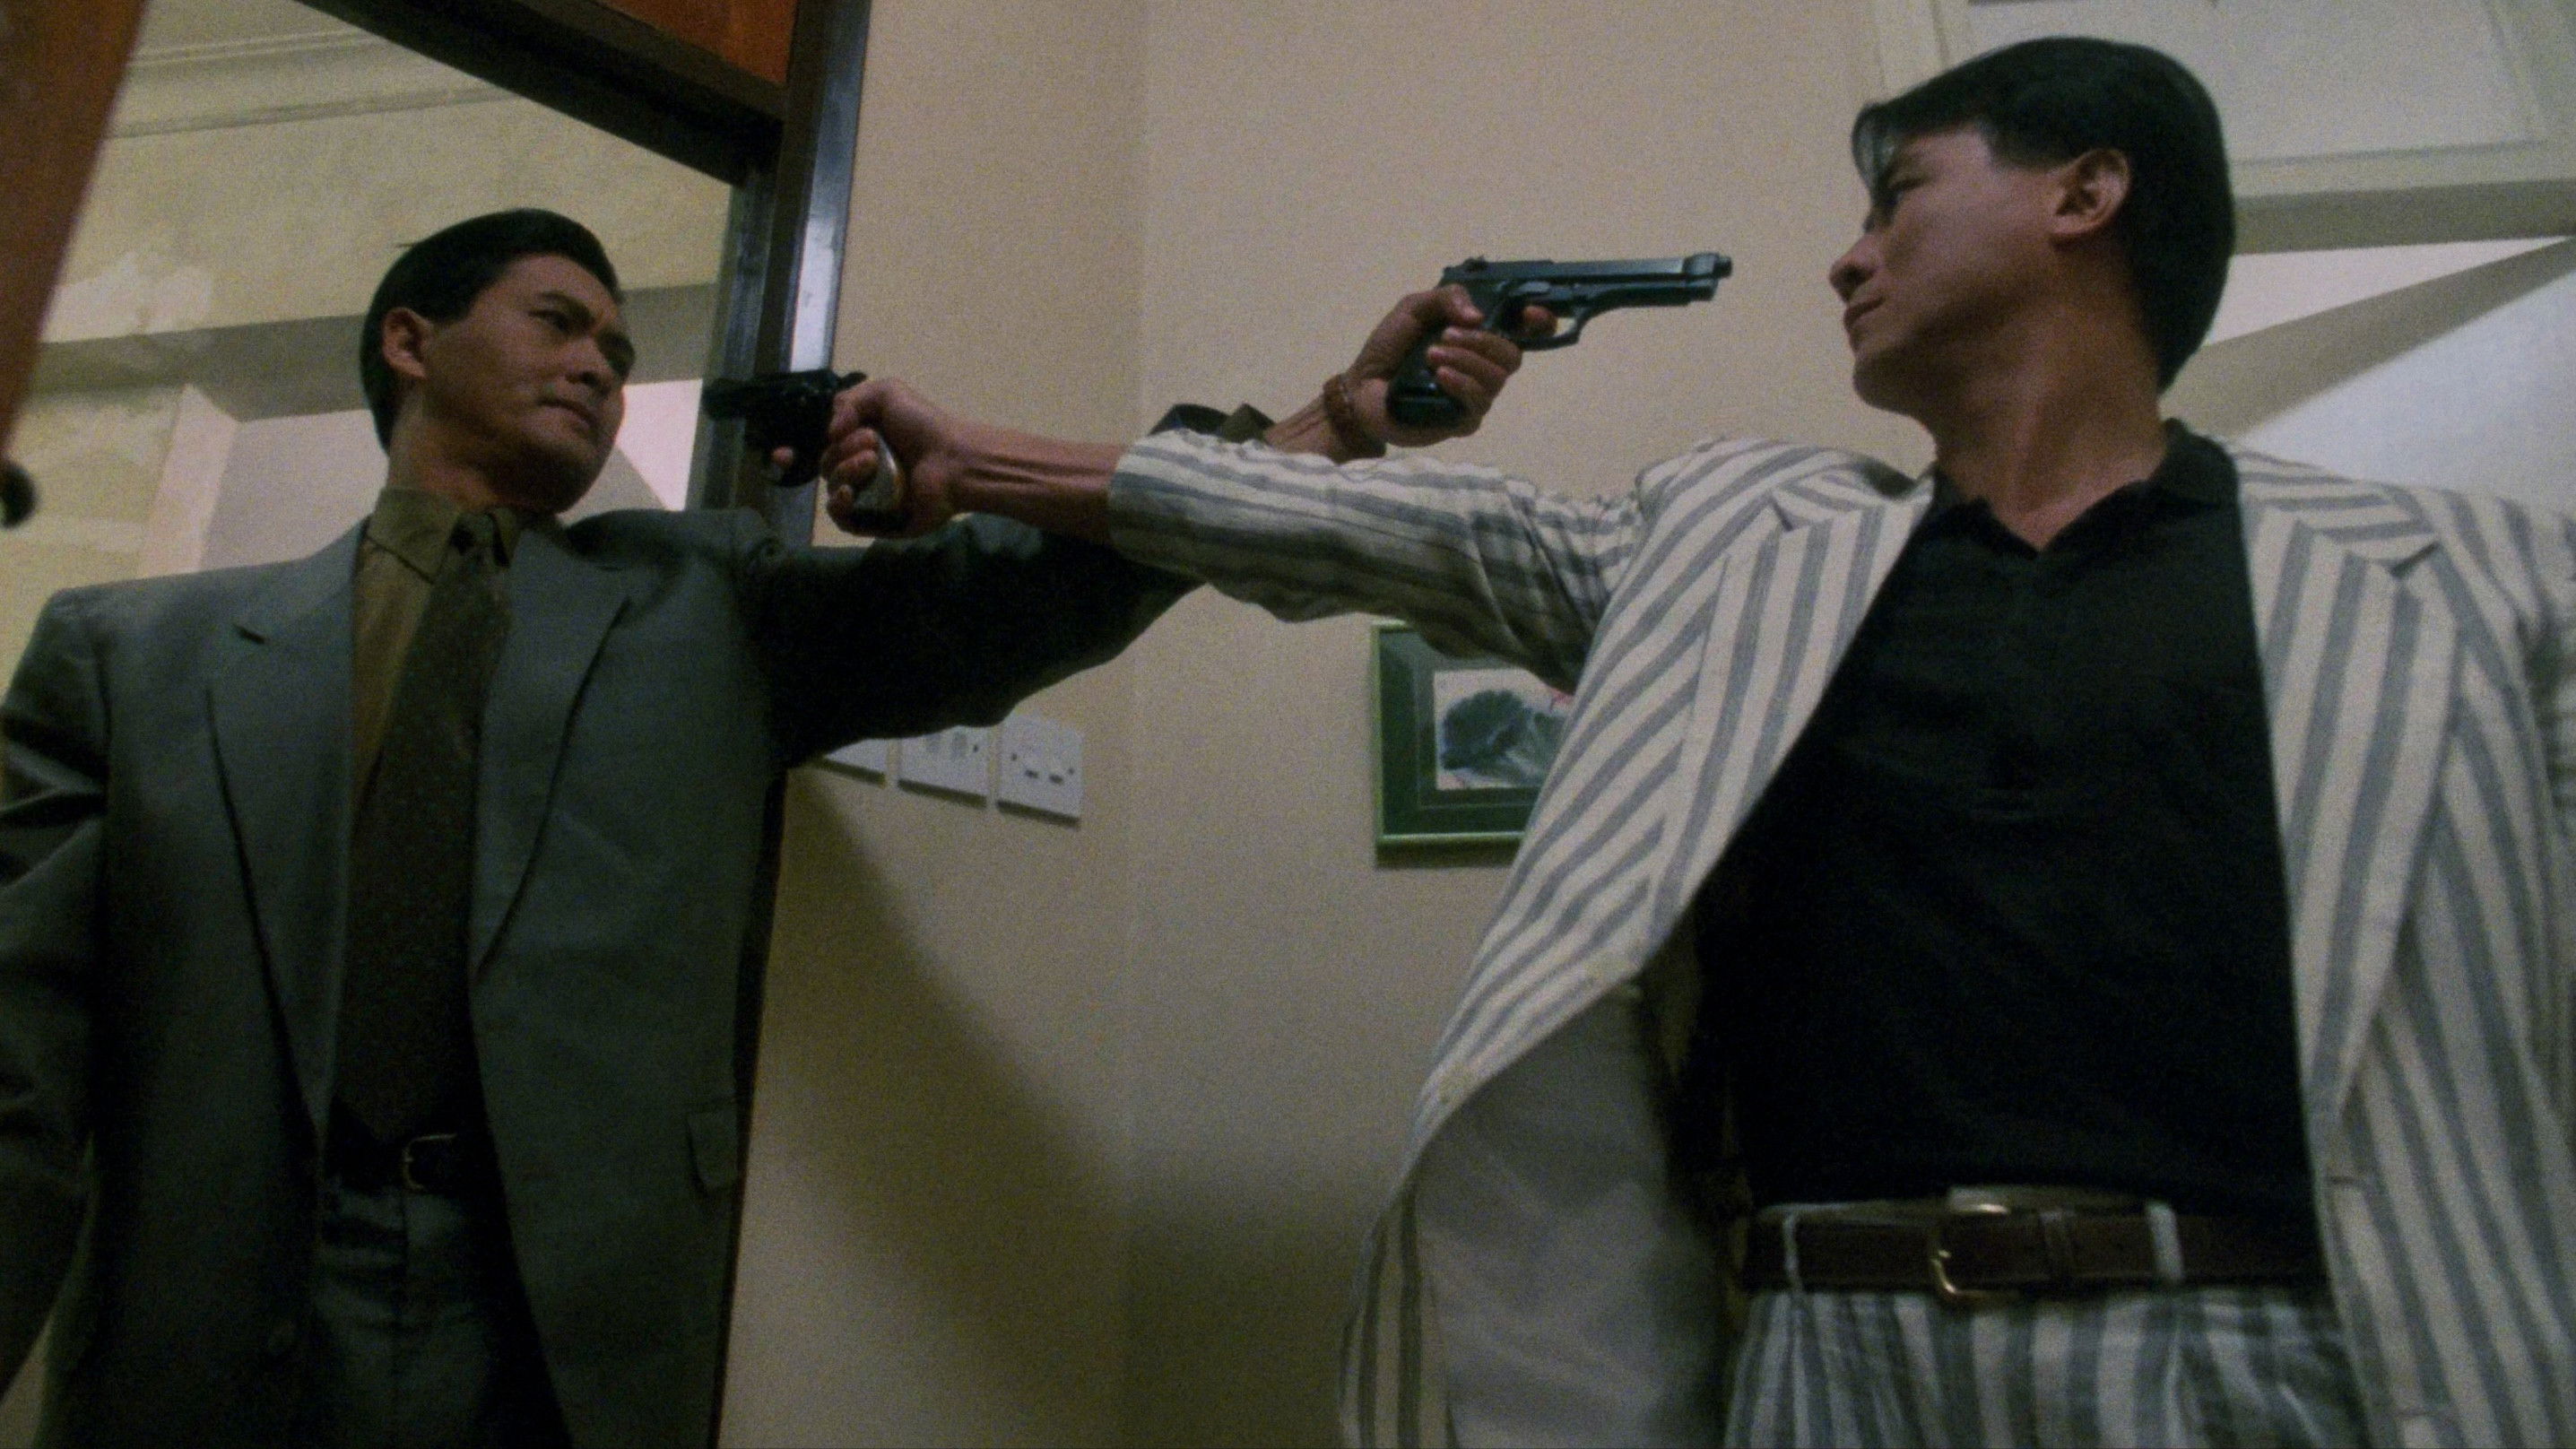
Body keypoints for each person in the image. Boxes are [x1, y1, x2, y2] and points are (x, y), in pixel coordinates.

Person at [808, 37, 2576, 1449]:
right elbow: (1358, 527)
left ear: (2086, 193)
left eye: (1897, 196)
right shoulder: (1736, 541)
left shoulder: (2489, 585)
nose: (1845, 253)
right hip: (1825, 1356)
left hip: (2299, 1360)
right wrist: (989, 461)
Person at [0, 209, 1196, 1447]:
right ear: (410, 342)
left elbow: (1013, 595)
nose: (597, 370)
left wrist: (1275, 461)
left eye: (618, 359)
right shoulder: (129, 660)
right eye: (558, 324)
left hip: (565, 1321)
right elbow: (17, 1066)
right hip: (201, 1304)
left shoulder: (712, 603)